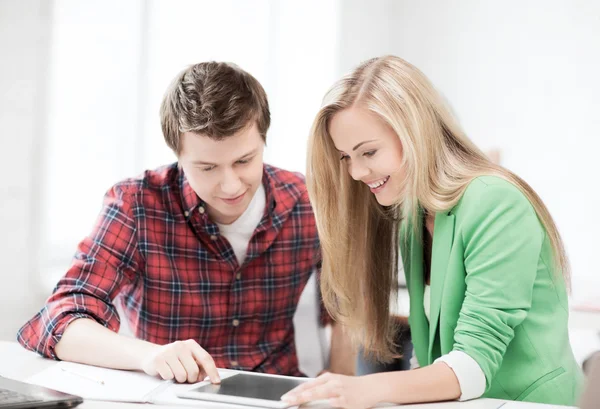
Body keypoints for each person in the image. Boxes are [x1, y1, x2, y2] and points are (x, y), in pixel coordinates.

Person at [17, 61, 354, 384]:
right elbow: (59, 320)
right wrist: (149, 355)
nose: (231, 185)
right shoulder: (136, 205)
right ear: (177, 154)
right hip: (172, 393)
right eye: (207, 168)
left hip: (276, 392)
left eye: (244, 160)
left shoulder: (308, 202)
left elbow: (349, 306)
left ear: (264, 140)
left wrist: (341, 379)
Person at [281, 55, 583, 408]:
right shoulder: (414, 212)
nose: (356, 172)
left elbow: (473, 364)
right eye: (346, 157)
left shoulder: (495, 200)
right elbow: (435, 356)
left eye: (368, 152)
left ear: (416, 131)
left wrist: (361, 389)